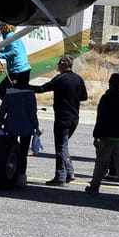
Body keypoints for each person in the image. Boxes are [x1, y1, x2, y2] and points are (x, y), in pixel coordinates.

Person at [35, 54, 87, 186]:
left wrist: (25, 86)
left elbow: (42, 89)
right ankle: (70, 172)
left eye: (59, 63)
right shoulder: (78, 79)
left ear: (64, 64)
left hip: (62, 118)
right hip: (74, 118)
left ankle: (60, 177)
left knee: (60, 147)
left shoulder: (60, 79)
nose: (57, 65)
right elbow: (84, 97)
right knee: (64, 146)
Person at [87, 72, 119, 201]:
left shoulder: (106, 98)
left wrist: (96, 136)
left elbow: (100, 118)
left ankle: (94, 186)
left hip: (107, 136)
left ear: (110, 83)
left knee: (102, 162)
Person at [0, 72, 40, 188]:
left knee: (10, 150)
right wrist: (36, 126)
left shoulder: (10, 93)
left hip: (11, 126)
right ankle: (21, 176)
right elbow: (32, 113)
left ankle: (10, 172)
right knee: (23, 152)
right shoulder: (30, 94)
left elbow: (3, 110)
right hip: (26, 127)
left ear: (17, 79)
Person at [0, 23, 31, 99]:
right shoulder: (12, 35)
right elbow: (9, 49)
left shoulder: (9, 36)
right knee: (16, 93)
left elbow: (15, 51)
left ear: (5, 27)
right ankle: (13, 106)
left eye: (0, 26)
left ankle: (11, 106)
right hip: (23, 69)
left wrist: (0, 55)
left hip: (18, 71)